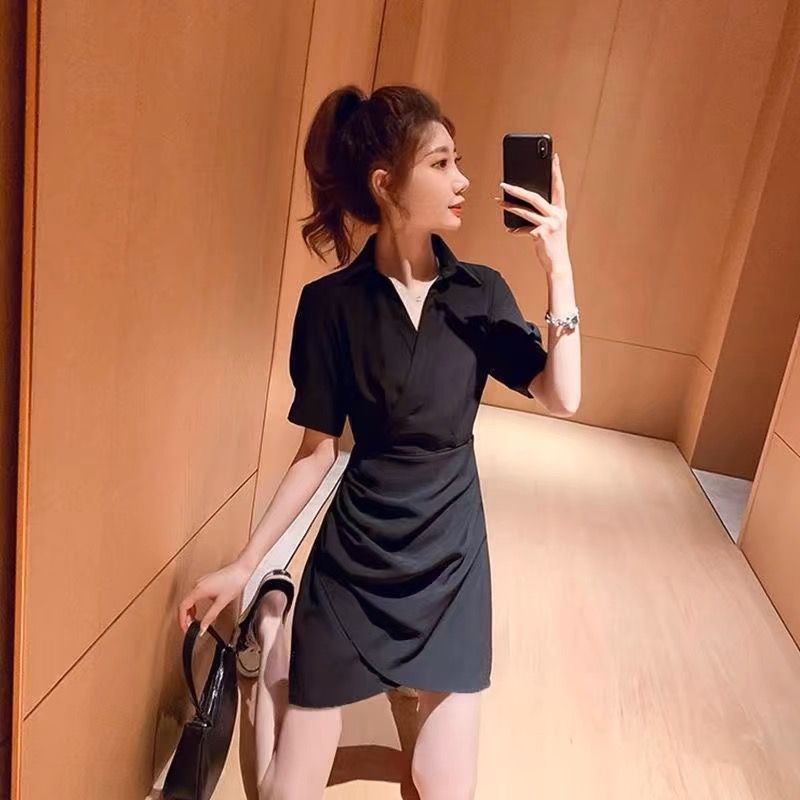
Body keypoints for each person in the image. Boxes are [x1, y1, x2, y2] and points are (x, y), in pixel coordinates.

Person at [177, 83, 580, 799]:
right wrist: (245, 566)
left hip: (450, 557)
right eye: (442, 164)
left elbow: (562, 395)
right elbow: (317, 453)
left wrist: (560, 270)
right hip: (356, 557)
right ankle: (273, 623)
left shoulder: (479, 292)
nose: (463, 181)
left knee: (440, 784)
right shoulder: (329, 305)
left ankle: (352, 659)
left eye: (459, 162)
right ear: (386, 184)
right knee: (284, 791)